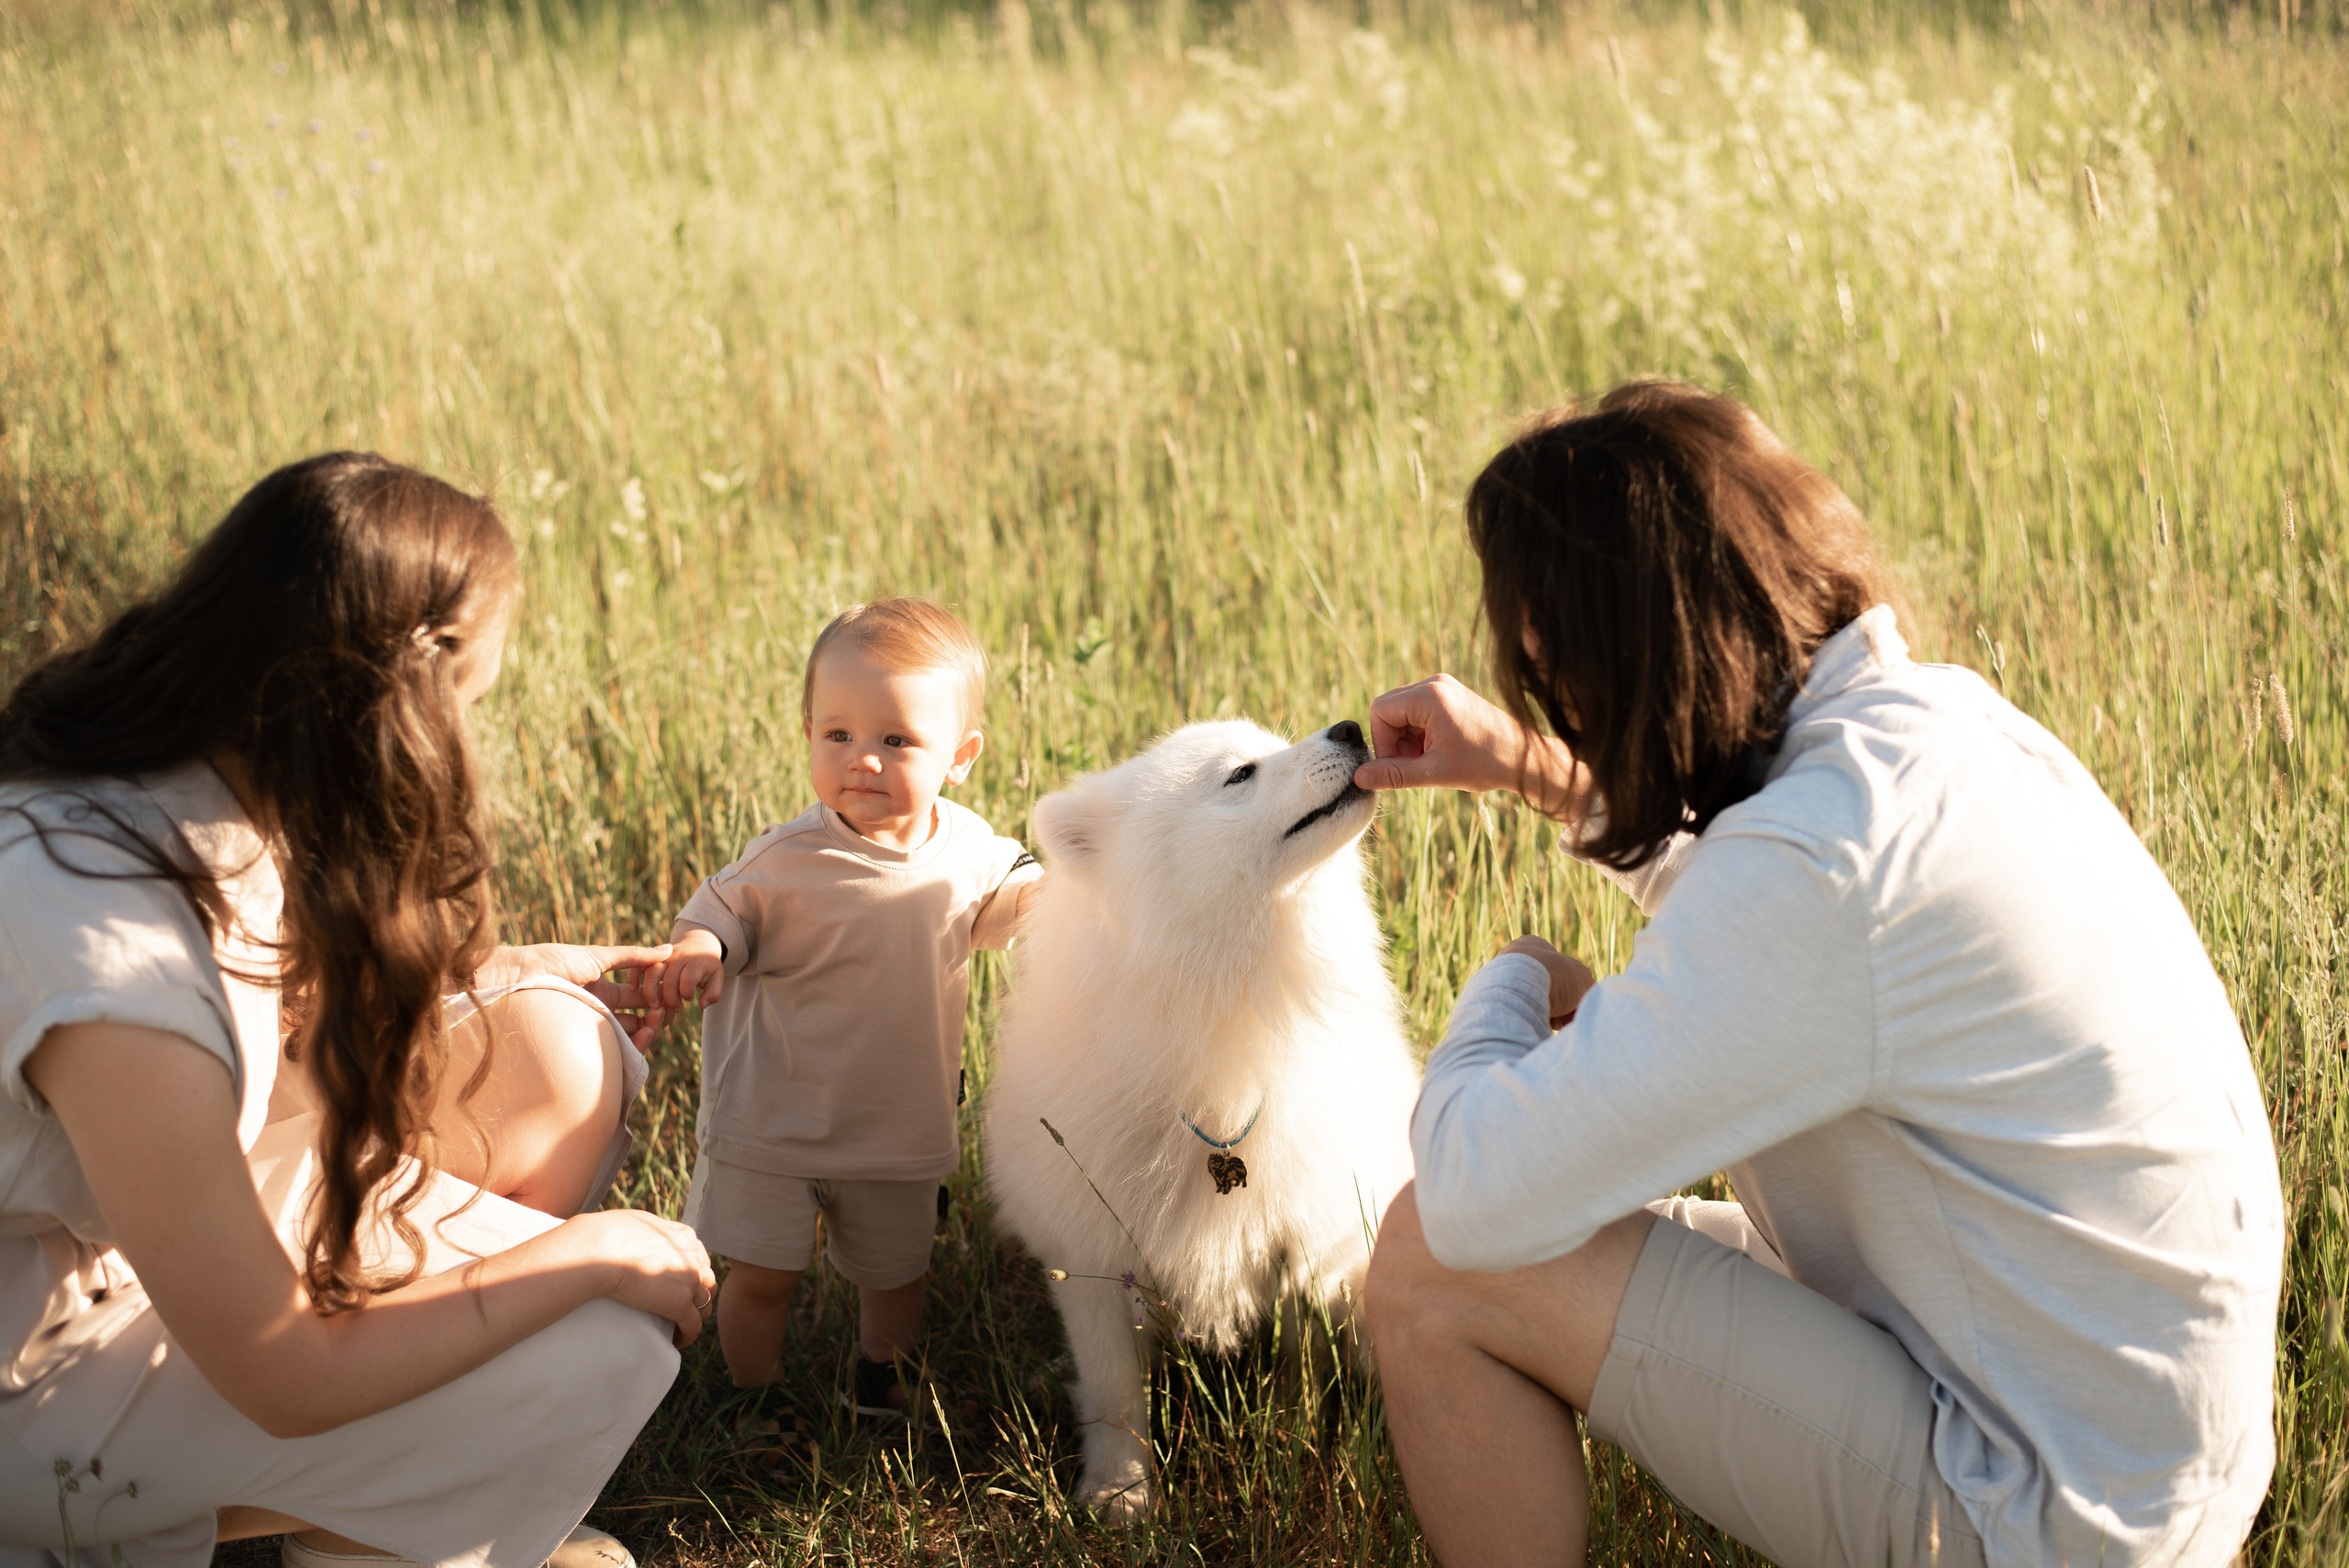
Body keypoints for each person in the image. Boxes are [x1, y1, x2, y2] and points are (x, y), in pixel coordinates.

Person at [1353, 382, 2285, 1568]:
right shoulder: (1929, 732)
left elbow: (1476, 1193)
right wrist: (1534, 768)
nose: (1555, 697)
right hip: (2117, 1441)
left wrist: (1510, 984)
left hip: (2042, 1509)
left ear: (1626, 657)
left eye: (1552, 668)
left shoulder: (1826, 868)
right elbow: (1772, 910)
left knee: (1436, 1258)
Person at [0, 454, 715, 1568]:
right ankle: (401, 1504)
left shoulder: (171, 775)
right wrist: (585, 1252)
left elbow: (269, 1002)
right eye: (469, 702)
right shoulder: (122, 969)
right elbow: (284, 1370)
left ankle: (399, 1499)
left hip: (103, 1248)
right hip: (34, 1364)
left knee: (544, 1042)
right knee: (599, 1334)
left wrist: (533, 967)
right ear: (400, 711)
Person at [649, 598, 1041, 1416]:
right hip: (774, 1121)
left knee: (896, 1275)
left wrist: (1054, 897)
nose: (862, 759)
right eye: (838, 734)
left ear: (960, 756)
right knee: (763, 1276)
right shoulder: (786, 859)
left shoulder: (968, 849)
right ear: (808, 732)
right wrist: (699, 951)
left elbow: (1012, 896)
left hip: (896, 1123)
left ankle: (880, 1379)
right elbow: (716, 913)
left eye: (896, 740)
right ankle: (755, 1398)